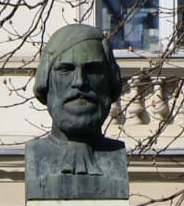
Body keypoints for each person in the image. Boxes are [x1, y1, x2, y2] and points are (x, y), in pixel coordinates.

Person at [27, 23, 126, 185]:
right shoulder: (35, 156)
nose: (79, 82)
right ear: (46, 81)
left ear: (110, 81)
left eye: (93, 70)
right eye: (65, 70)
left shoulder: (117, 155)